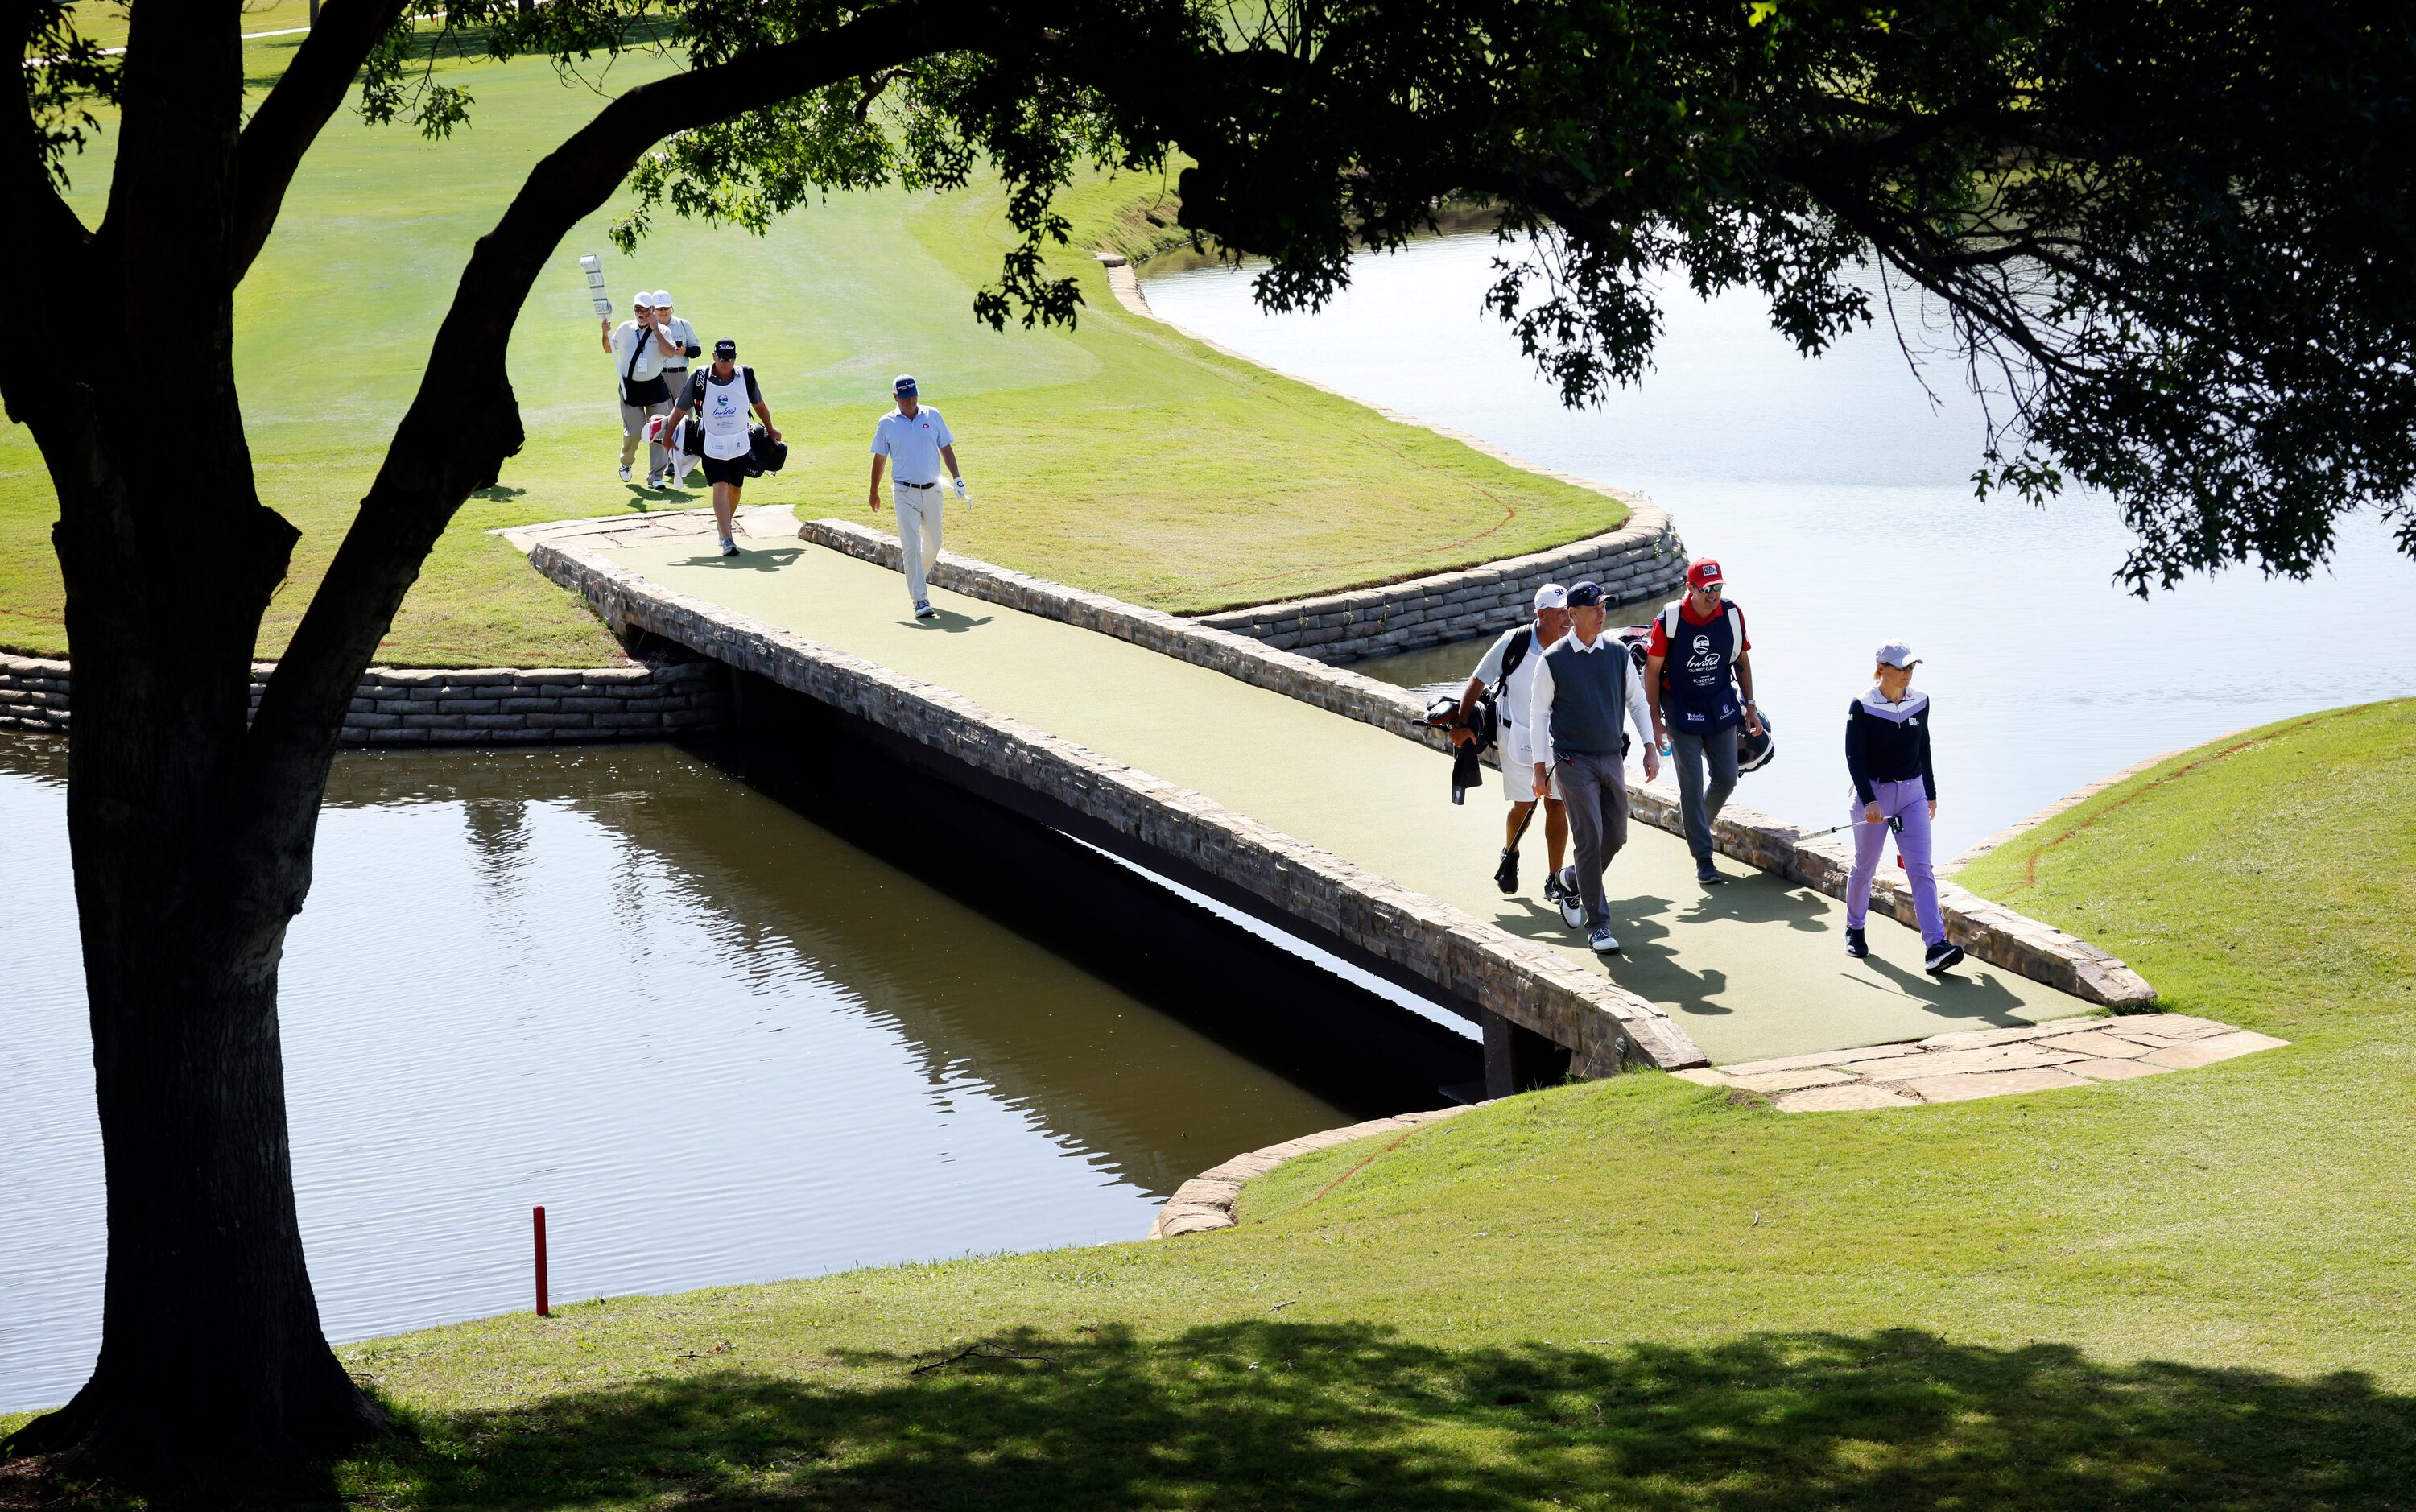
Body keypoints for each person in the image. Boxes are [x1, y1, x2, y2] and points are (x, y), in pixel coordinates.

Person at [1527, 580, 1662, 954]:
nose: (1602, 613)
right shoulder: (1552, 659)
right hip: (1572, 760)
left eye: (1604, 606)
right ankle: (1599, 926)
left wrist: (1650, 747)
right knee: (1588, 838)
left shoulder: (1618, 653)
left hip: (1611, 757)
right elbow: (1538, 715)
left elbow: (1636, 703)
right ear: (1573, 614)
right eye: (1594, 607)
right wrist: (1540, 768)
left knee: (1615, 836)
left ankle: (1571, 879)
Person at [1451, 585, 1578, 915]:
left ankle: (1554, 878)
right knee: (1524, 806)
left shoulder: (1575, 644)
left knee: (1556, 806)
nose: (1567, 618)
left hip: (1558, 740)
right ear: (1541, 614)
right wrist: (1461, 725)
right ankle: (1511, 853)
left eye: (1569, 612)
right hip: (1517, 739)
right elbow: (1477, 680)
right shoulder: (1514, 642)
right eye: (1560, 613)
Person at [1844, 641, 1964, 975]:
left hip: (1913, 793)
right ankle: (1854, 928)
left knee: (1921, 869)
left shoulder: (1921, 700)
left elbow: (1923, 746)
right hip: (1874, 796)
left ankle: (1935, 945)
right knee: (1865, 866)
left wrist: (1931, 792)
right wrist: (1869, 799)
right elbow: (1854, 756)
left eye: (1911, 667)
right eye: (1901, 668)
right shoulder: (1862, 705)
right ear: (1882, 668)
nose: (1908, 673)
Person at [1645, 557, 1763, 886]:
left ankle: (1693, 823)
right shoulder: (1669, 620)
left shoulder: (1731, 615)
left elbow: (1741, 661)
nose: (1713, 594)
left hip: (1720, 704)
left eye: (1718, 587)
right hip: (1681, 708)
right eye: (1706, 589)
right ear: (1691, 589)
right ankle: (1704, 858)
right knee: (1691, 785)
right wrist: (1655, 722)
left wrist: (1750, 705)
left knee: (1726, 778)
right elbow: (1651, 672)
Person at [663, 338, 781, 557]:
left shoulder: (746, 376)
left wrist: (771, 429)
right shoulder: (700, 378)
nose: (726, 362)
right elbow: (680, 409)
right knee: (720, 485)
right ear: (713, 356)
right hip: (712, 443)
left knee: (735, 487)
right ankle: (727, 539)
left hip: (739, 443)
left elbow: (760, 405)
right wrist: (667, 436)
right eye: (722, 357)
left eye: (731, 358)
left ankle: (723, 524)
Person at [866, 374, 965, 619]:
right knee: (910, 546)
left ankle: (914, 578)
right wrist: (874, 491)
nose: (910, 401)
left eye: (913, 396)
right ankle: (920, 599)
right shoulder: (887, 423)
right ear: (895, 396)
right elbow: (879, 459)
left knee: (934, 544)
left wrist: (957, 477)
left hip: (932, 490)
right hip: (903, 492)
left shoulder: (933, 416)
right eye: (905, 397)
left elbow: (946, 447)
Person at [602, 292, 682, 486]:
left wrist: (655, 329)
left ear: (652, 311)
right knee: (635, 431)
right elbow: (608, 349)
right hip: (630, 386)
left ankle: (655, 476)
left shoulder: (663, 330)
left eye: (645, 310)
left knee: (658, 432)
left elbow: (671, 353)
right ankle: (626, 463)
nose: (640, 313)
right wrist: (604, 333)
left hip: (655, 384)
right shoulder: (625, 329)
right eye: (637, 309)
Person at [650, 290, 702, 481]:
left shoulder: (682, 324)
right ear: (654, 310)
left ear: (671, 308)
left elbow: (697, 350)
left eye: (666, 308)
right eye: (660, 309)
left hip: (680, 375)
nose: (664, 312)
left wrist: (683, 351)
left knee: (684, 416)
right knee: (663, 417)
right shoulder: (649, 327)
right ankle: (669, 462)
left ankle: (682, 456)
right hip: (658, 376)